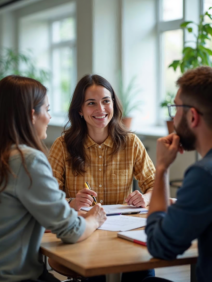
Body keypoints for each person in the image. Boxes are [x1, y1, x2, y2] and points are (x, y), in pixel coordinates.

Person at [0, 75, 107, 282]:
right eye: (47, 110)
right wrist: (95, 218)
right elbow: (72, 232)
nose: (49, 117)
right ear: (32, 115)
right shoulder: (26, 161)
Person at [49, 74, 156, 211]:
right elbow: (49, 196)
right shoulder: (62, 146)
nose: (101, 109)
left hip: (120, 226)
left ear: (113, 104)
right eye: (91, 103)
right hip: (80, 227)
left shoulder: (131, 143)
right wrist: (72, 203)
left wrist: (145, 198)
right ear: (80, 109)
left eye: (106, 101)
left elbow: (155, 185)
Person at [145, 66, 212, 282]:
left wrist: (162, 168)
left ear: (192, 117)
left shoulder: (203, 175)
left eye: (176, 108)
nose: (173, 118)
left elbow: (160, 246)